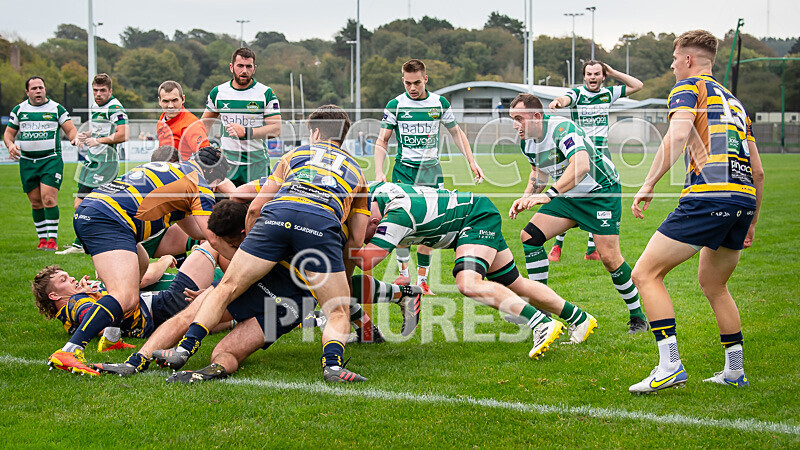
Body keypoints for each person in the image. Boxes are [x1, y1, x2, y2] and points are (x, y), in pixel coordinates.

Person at [154, 105, 370, 383]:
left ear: (315, 132)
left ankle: (184, 349)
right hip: (320, 222)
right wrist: (342, 272)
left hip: (276, 216)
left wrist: (255, 247)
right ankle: (332, 367)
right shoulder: (358, 173)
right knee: (337, 309)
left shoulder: (295, 155)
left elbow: (255, 207)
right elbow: (356, 239)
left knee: (226, 289)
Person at [628, 30, 765, 394]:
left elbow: (676, 135)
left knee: (645, 274)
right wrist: (751, 220)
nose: (672, 66)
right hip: (742, 199)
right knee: (714, 284)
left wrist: (649, 183)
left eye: (674, 59)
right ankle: (734, 370)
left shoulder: (688, 87)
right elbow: (759, 170)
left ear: (688, 60)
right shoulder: (736, 103)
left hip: (709, 197)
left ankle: (669, 365)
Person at [352, 182, 598, 360]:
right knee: (516, 282)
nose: (362, 241)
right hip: (474, 211)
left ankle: (540, 323)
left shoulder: (395, 216)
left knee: (467, 282)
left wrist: (336, 250)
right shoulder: (374, 192)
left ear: (372, 222)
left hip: (473, 219)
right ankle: (580, 318)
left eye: (363, 236)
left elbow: (365, 261)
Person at [46, 148, 228, 375]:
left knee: (141, 264)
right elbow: (212, 236)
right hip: (109, 219)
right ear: (216, 179)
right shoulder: (199, 185)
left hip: (101, 210)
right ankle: (69, 350)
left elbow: (196, 231)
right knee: (125, 296)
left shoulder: (178, 171)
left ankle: (111, 337)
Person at [508, 93, 648, 335]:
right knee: (530, 237)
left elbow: (581, 166)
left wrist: (550, 194)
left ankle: (638, 317)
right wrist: (527, 197)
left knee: (609, 258)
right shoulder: (526, 141)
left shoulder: (563, 128)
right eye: (512, 119)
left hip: (601, 193)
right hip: (569, 195)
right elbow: (539, 173)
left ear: (537, 116)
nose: (515, 125)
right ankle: (542, 308)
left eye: (519, 118)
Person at [374, 59, 485, 295]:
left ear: (426, 79)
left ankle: (422, 280)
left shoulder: (439, 103)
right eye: (407, 83)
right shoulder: (396, 104)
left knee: (430, 227)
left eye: (416, 82)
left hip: (431, 172)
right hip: (403, 170)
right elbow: (382, 140)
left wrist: (471, 161)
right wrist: (378, 172)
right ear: (402, 80)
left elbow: (457, 133)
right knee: (401, 223)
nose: (412, 88)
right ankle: (404, 276)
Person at [548, 60, 644, 262]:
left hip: (601, 155)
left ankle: (592, 250)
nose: (592, 77)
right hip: (577, 153)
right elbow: (565, 98)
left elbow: (638, 86)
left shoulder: (608, 94)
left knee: (599, 197)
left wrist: (614, 71)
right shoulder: (578, 94)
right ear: (584, 77)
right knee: (568, 193)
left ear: (603, 76)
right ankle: (557, 246)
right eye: (589, 74)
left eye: (597, 74)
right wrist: (558, 102)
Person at [58, 73, 130, 255]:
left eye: (102, 91)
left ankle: (83, 243)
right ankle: (86, 242)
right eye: (95, 90)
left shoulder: (115, 108)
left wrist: (99, 141)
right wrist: (86, 135)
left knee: (84, 203)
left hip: (105, 163)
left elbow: (123, 135)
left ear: (110, 91)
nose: (98, 94)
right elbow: (100, 129)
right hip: (92, 161)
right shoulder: (96, 106)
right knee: (91, 202)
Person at [4, 76, 78, 251]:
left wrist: (75, 139)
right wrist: (10, 145)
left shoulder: (56, 108)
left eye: (41, 88)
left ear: (45, 90)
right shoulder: (19, 110)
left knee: (49, 198)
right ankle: (41, 240)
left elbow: (70, 129)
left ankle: (52, 240)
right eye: (34, 88)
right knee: (36, 203)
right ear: (27, 91)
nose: (38, 91)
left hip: (50, 160)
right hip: (28, 162)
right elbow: (8, 134)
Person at [202, 47, 282, 186]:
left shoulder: (266, 93)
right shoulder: (218, 92)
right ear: (231, 67)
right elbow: (204, 125)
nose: (244, 71)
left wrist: (246, 132)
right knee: (225, 207)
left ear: (254, 68)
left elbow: (276, 129)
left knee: (255, 208)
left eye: (248, 66)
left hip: (256, 164)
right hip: (227, 164)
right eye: (240, 66)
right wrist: (203, 150)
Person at [156, 80, 210, 161]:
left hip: (183, 172)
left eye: (174, 100)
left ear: (183, 99)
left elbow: (206, 155)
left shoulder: (191, 124)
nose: (170, 106)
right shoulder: (162, 120)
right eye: (166, 101)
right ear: (159, 101)